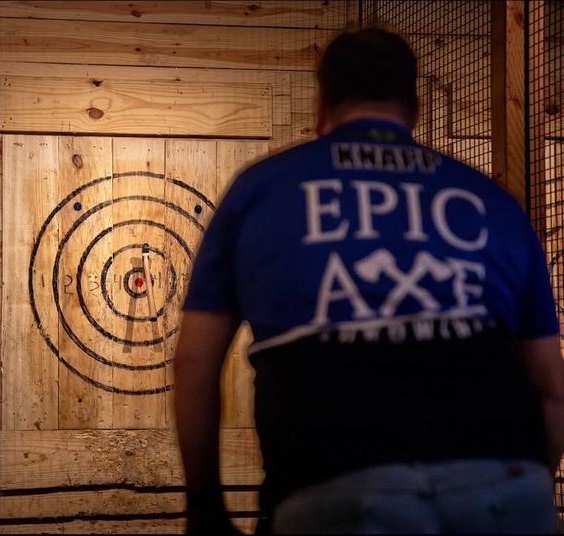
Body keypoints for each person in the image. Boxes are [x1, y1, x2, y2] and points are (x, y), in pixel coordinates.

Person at [174, 26, 564, 534]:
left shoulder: (261, 189)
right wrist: (525, 485)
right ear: (414, 109)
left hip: (335, 482)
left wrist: (204, 504)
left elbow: (193, 362)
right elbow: (551, 388)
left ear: (321, 107)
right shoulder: (491, 202)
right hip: (507, 480)